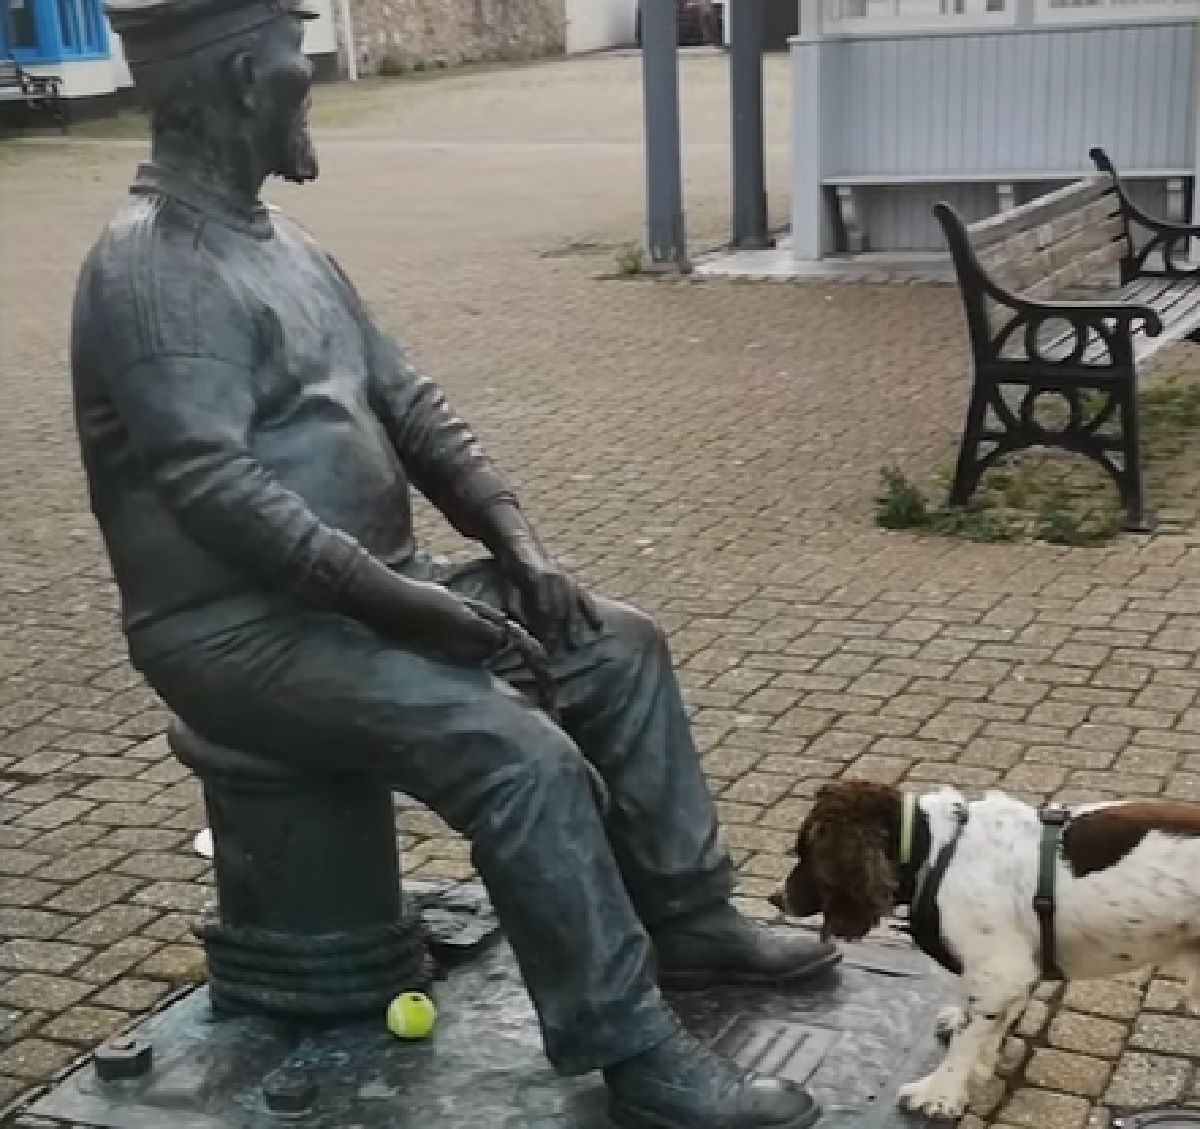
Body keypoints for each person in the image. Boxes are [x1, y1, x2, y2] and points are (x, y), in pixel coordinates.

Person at [71, 3, 838, 1124]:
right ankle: (633, 1049)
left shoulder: (287, 245)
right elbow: (221, 497)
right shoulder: (151, 271)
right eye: (297, 59)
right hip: (237, 633)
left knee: (613, 642)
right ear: (242, 78)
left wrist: (514, 542)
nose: (311, 82)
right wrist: (421, 614)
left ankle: (687, 916)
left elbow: (412, 405)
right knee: (518, 755)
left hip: (365, 599)